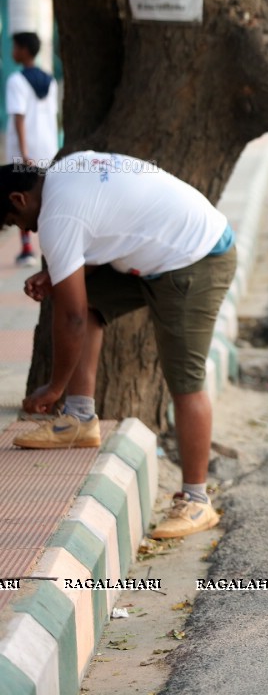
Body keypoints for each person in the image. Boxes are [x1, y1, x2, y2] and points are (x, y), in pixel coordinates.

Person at [1, 153, 237, 539]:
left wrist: (53, 388)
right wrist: (54, 272)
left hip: (197, 258)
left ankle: (197, 500)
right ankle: (79, 419)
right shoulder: (66, 171)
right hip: (167, 246)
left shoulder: (56, 218)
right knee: (88, 297)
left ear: (18, 199)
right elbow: (106, 230)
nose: (22, 229)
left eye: (14, 223)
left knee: (184, 379)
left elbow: (72, 318)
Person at [5, 32, 59, 267]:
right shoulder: (51, 81)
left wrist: (24, 152)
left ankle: (27, 248)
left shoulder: (16, 81)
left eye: (15, 47)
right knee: (44, 197)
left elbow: (19, 117)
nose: (12, 52)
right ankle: (50, 246)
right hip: (48, 146)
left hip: (23, 149)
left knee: (17, 198)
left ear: (25, 50)